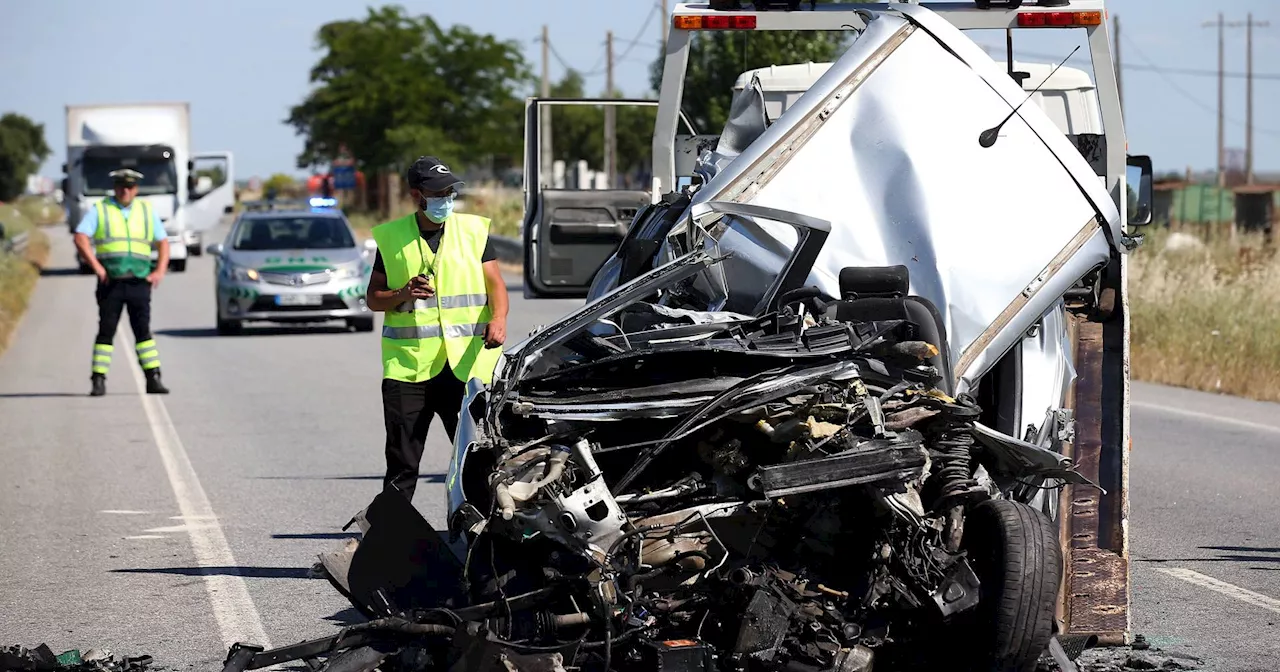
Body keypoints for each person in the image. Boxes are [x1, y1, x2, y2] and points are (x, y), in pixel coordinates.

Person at [366, 156, 508, 500]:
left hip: (465, 366)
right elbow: (373, 298)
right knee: (402, 461)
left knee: (479, 459)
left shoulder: (473, 231)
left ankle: (485, 532)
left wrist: (499, 319)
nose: (446, 198)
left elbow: (496, 285)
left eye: (449, 191)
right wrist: (403, 293)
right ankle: (392, 534)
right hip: (409, 368)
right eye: (437, 192)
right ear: (417, 194)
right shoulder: (392, 238)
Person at [72, 168, 171, 397]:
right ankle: (98, 379)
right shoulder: (101, 210)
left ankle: (153, 378)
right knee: (106, 331)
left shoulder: (146, 211)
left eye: (129, 187)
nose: (124, 191)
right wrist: (96, 267)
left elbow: (163, 242)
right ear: (114, 187)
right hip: (112, 282)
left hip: (139, 281)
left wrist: (159, 271)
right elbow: (80, 237)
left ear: (135, 189)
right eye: (120, 186)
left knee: (143, 333)